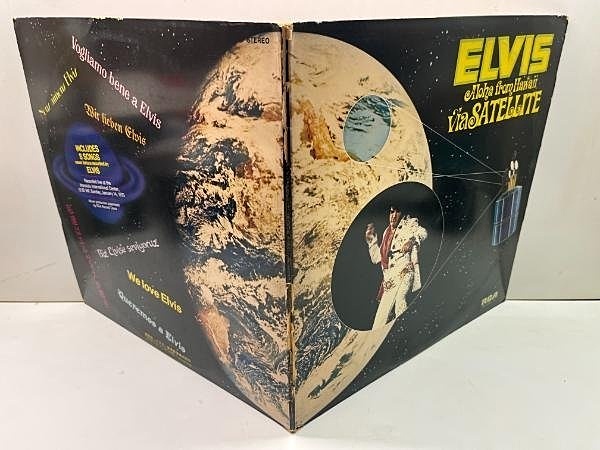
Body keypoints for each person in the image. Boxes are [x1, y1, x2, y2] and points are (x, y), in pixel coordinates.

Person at [365, 206, 427, 329]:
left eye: (397, 212)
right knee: (380, 320)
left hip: (405, 271)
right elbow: (377, 258)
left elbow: (423, 232)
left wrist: (412, 241)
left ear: (402, 213)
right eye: (392, 212)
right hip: (390, 279)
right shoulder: (386, 232)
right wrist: (372, 241)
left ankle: (405, 330)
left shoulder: (409, 223)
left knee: (400, 301)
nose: (393, 215)